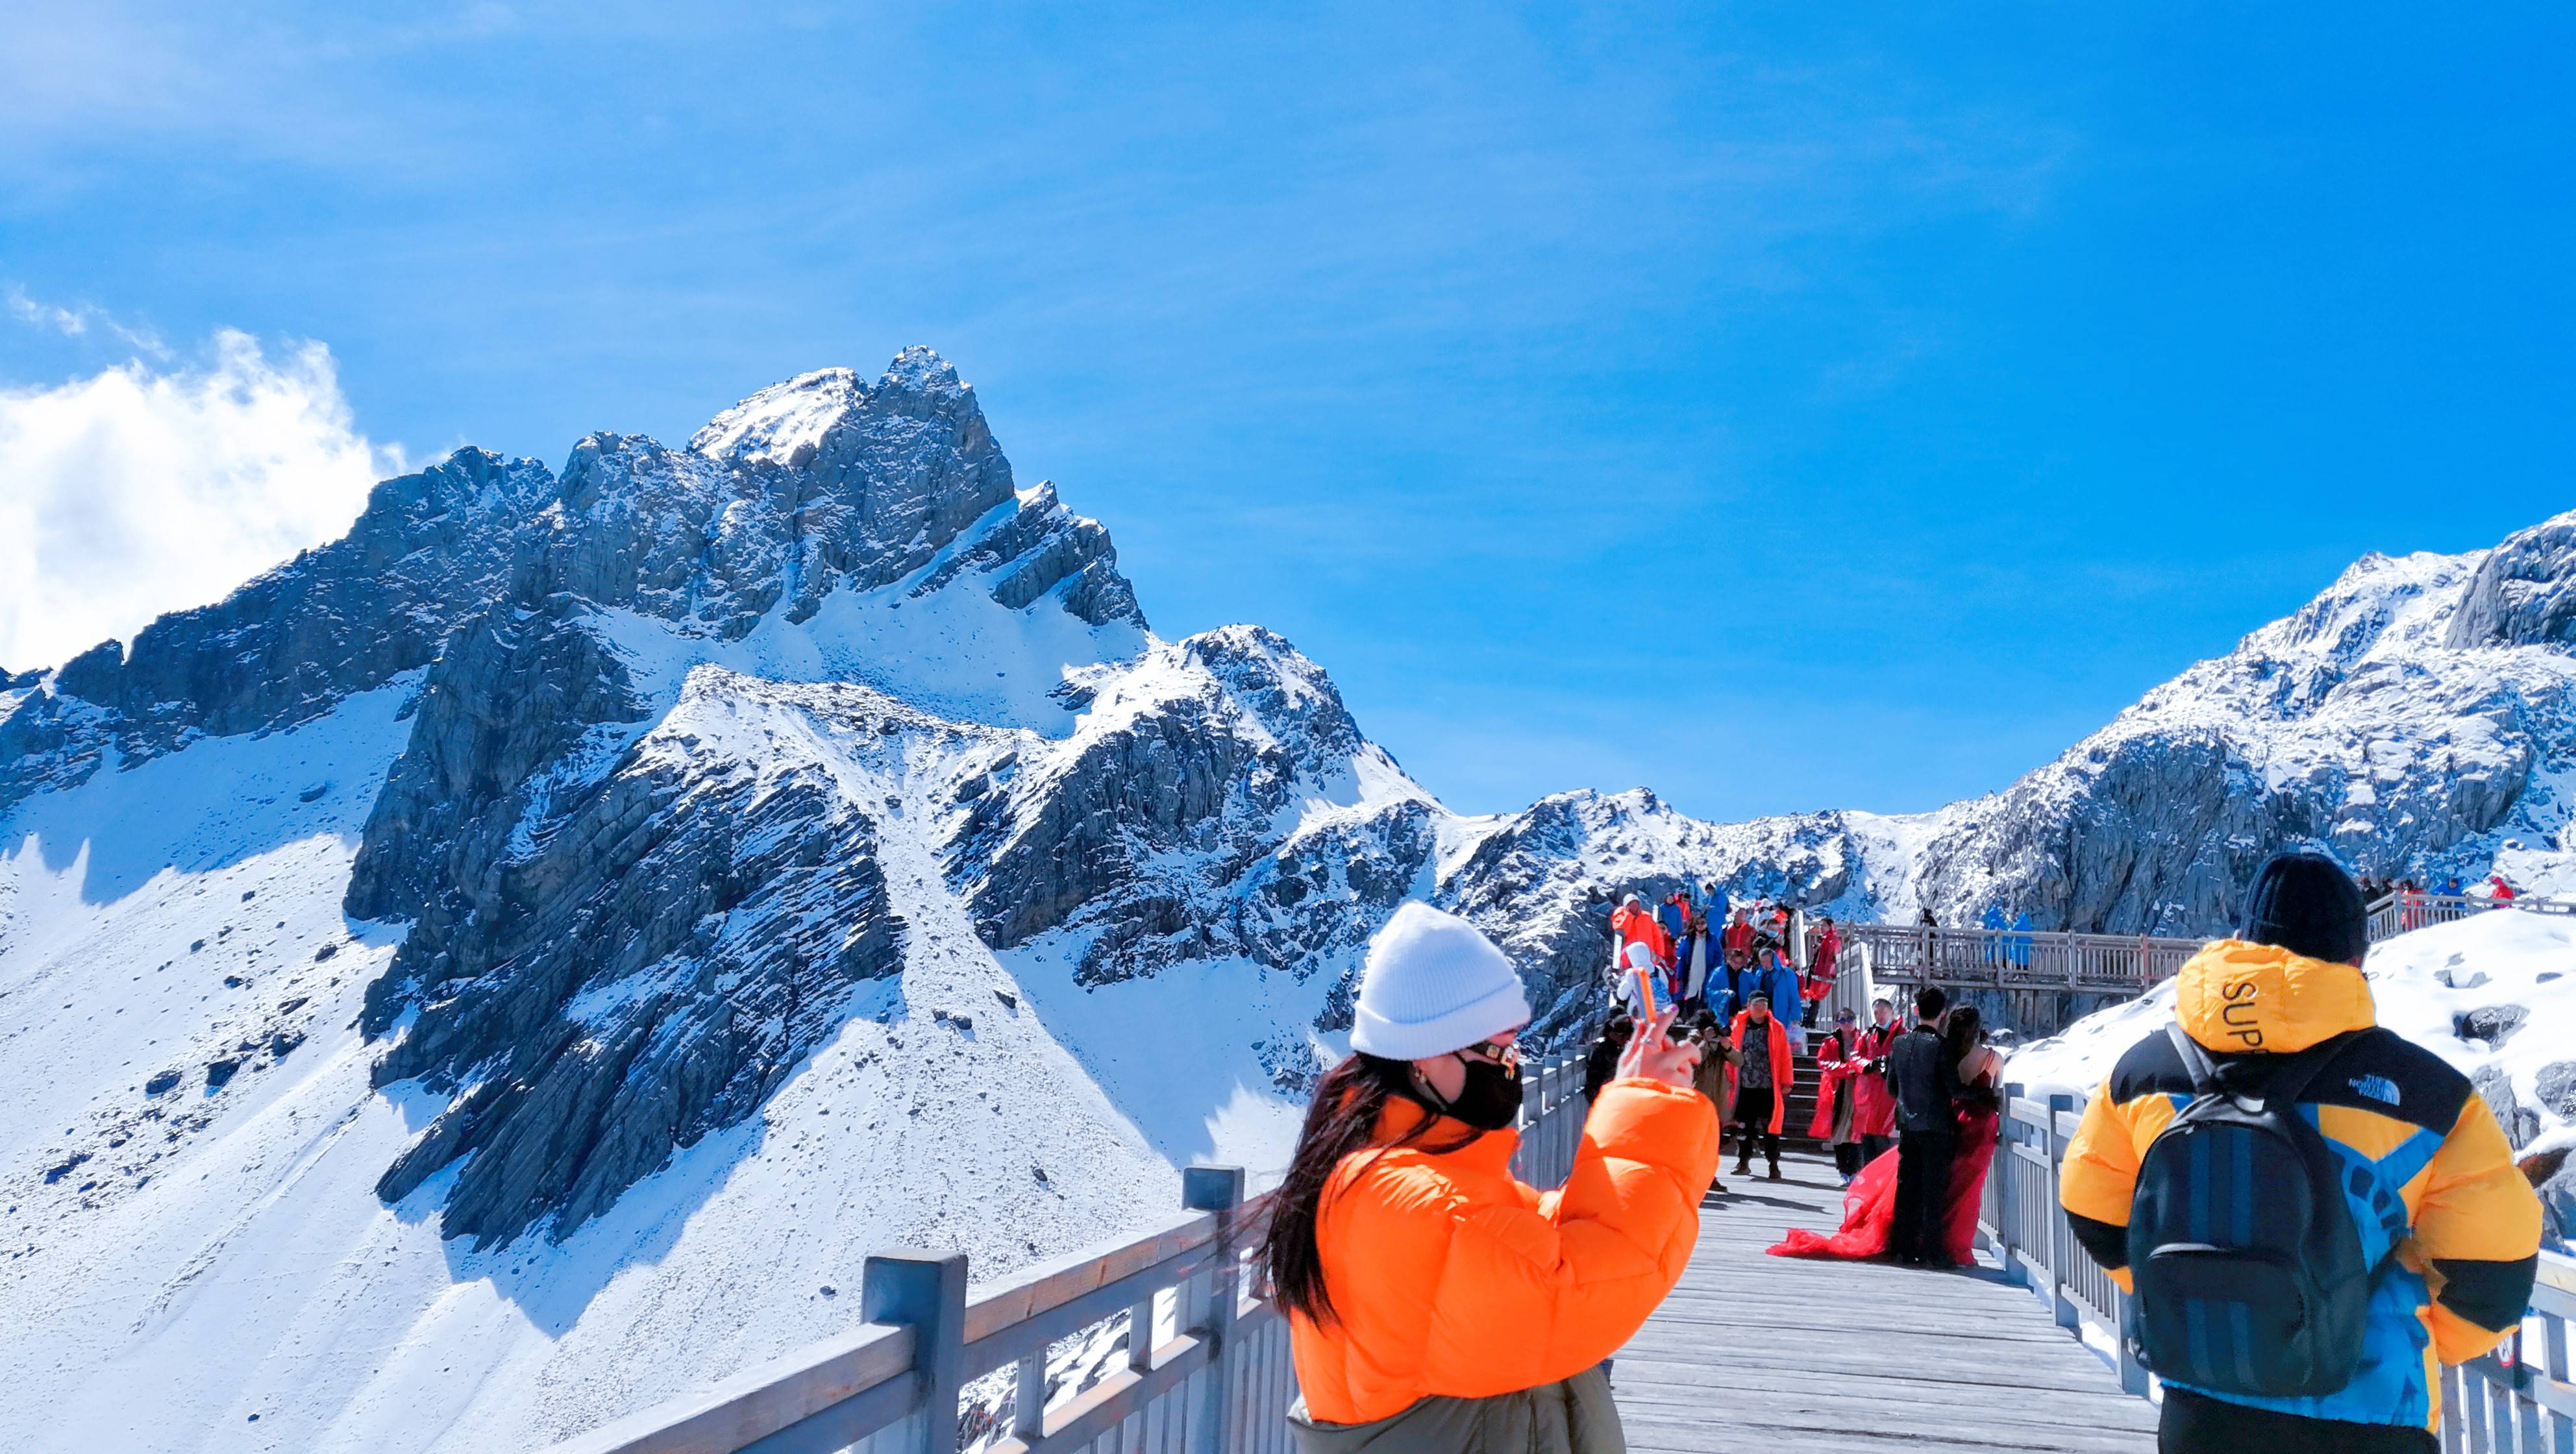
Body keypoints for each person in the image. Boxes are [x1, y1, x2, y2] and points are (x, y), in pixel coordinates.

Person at [2059, 852, 2542, 1454]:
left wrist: (2199, 1297)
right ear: (2357, 960)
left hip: (2201, 1412)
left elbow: (2091, 1209)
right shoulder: (2431, 1098)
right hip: (2370, 1421)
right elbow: (2493, 1279)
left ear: (2242, 942)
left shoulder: (2143, 1075)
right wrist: (2393, 1332)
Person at [1270, 902, 1718, 1452]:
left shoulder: (1402, 1172)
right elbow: (1581, 1285)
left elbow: (1529, 1241)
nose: (1511, 1066)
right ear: (1424, 1056)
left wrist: (1637, 1098)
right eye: (1498, 1049)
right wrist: (1645, 1113)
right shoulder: (1410, 1199)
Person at [1766, 1003, 2003, 1264]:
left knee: (1911, 1187)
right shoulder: (1985, 1057)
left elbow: (1902, 1087)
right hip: (1970, 1128)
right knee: (1956, 1191)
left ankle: (1907, 1245)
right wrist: (1985, 1095)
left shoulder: (1935, 1049)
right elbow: (1974, 1088)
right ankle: (1940, 1248)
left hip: (1925, 1123)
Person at [1885, 985, 1961, 1266]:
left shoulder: (1899, 1044)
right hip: (1936, 1127)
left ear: (1916, 1010)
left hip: (1907, 1124)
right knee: (1933, 1191)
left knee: (1906, 1188)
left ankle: (1902, 1247)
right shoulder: (1942, 1047)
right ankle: (1932, 1251)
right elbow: (1954, 1089)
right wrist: (1984, 1095)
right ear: (1943, 1013)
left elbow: (1892, 1087)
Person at [1728, 992, 1794, 1181]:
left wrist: (1787, 1081)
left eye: (1764, 1004)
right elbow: (1730, 1053)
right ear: (1749, 1005)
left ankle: (1773, 1164)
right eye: (1757, 1004)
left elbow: (1785, 1056)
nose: (1761, 1008)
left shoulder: (1777, 1028)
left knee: (1771, 1127)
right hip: (1744, 1086)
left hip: (1768, 1087)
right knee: (1744, 1126)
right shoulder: (1738, 1026)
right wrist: (1728, 1078)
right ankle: (1743, 1162)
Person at [1809, 1007, 1869, 1181]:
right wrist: (1847, 1070)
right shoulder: (1830, 1042)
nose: (1846, 1023)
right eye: (1842, 1020)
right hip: (1837, 1089)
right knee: (1838, 1131)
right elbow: (1824, 1062)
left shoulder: (1863, 1040)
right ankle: (1843, 1169)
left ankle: (1855, 1169)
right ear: (1837, 1023)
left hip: (1859, 1089)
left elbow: (1867, 1060)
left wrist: (1854, 1069)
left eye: (1850, 1019)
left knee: (1856, 1131)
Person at [1684, 1009, 1735, 1197]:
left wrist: (1727, 1047)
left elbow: (1738, 1060)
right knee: (1695, 1141)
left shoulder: (1719, 1042)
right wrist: (1705, 1041)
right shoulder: (1693, 1040)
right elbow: (1695, 1060)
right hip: (1699, 1096)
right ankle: (1691, 1176)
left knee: (1713, 1142)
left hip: (1717, 1098)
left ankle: (1709, 1177)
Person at [1852, 998, 1901, 1164]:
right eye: (1876, 1013)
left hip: (1890, 1098)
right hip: (1869, 1099)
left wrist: (1890, 1064)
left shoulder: (1902, 1034)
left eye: (1883, 1012)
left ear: (1891, 1012)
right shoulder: (1867, 1035)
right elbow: (1855, 1057)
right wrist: (1869, 1064)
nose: (1879, 1016)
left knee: (1886, 1148)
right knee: (1868, 1146)